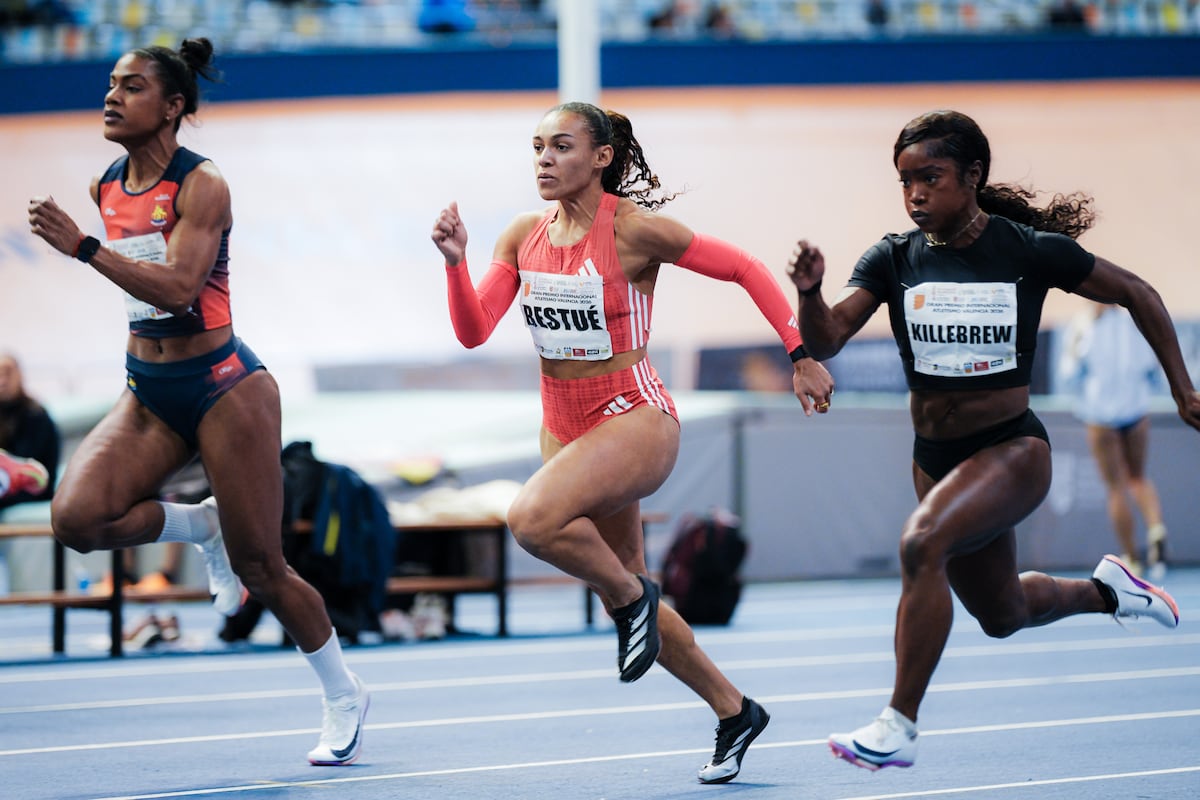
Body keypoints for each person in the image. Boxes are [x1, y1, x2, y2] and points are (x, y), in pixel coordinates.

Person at [430, 101, 835, 784]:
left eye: (561, 147)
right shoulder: (522, 236)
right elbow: (473, 331)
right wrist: (454, 264)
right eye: (537, 147)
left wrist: (799, 352)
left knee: (533, 522)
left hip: (632, 415)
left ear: (602, 157)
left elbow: (743, 268)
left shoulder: (636, 233)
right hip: (562, 427)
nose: (544, 160)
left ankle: (630, 603)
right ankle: (734, 709)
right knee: (629, 588)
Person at [786, 109, 1198, 771]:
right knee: (1001, 612)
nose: (915, 193)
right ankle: (1110, 591)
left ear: (973, 176)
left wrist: (1181, 389)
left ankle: (898, 725)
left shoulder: (1025, 250)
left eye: (931, 177)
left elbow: (1139, 293)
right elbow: (829, 335)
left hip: (1012, 450)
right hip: (934, 460)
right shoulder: (893, 258)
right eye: (904, 182)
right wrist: (807, 292)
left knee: (922, 542)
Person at [27, 38, 367, 766]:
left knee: (263, 568)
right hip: (147, 388)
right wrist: (93, 244)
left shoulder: (202, 185)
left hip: (223, 387)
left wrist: (85, 250)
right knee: (78, 518)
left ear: (174, 105)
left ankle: (342, 691)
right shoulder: (106, 184)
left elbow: (181, 288)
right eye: (111, 84)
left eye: (133, 87)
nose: (112, 96)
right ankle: (199, 524)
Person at [1061, 301, 1170, 580]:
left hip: (1101, 416)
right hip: (1135, 411)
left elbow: (1070, 374)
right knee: (1138, 478)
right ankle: (1155, 526)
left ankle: (1132, 558)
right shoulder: (1134, 320)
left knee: (1115, 488)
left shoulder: (1084, 324)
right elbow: (1152, 368)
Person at [0, 353, 59, 509]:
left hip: (35, 487)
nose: (3, 381)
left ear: (20, 375)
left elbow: (25, 462)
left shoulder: (36, 415)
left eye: (7, 373)